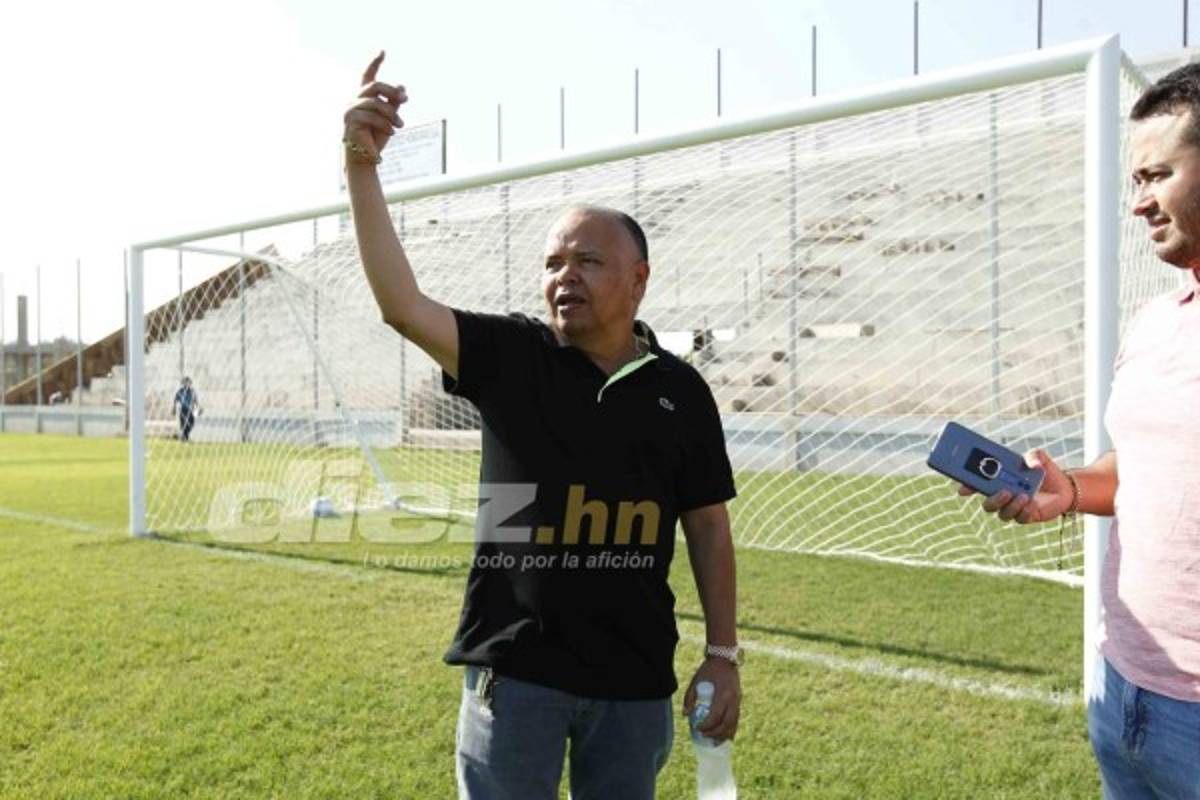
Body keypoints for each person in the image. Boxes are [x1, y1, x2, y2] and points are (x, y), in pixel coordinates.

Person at [343, 52, 742, 800]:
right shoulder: (512, 354)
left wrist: (723, 654)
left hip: (632, 682)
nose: (566, 275)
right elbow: (401, 303)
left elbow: (708, 526)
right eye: (554, 261)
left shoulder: (681, 390)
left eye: (589, 260)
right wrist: (361, 169)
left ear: (637, 280)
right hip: (516, 675)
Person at [960, 63, 1200, 799]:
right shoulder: (1157, 322)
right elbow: (1143, 469)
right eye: (1135, 180)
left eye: (1157, 175)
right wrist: (1068, 490)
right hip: (1123, 690)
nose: (1138, 203)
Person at [173, 376, 199, 442]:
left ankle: (184, 436)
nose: (187, 384)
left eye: (188, 383)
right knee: (183, 424)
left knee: (191, 424)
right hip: (183, 410)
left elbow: (196, 400)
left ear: (190, 383)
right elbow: (176, 399)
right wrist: (174, 408)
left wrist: (198, 408)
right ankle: (185, 438)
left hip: (191, 410)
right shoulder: (180, 391)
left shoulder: (193, 391)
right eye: (185, 383)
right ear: (183, 384)